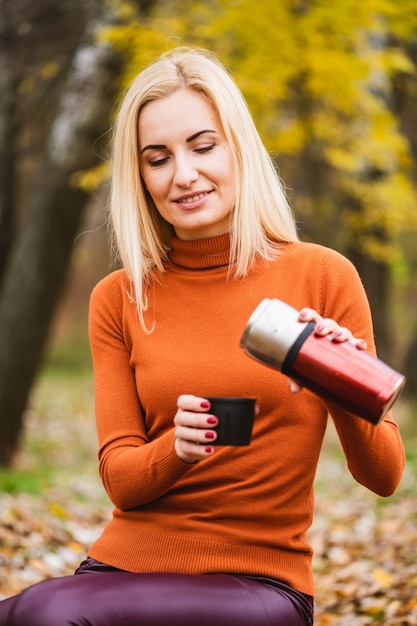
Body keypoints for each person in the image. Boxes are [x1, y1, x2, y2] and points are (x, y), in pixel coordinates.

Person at [0, 46, 405, 626]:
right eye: (157, 158)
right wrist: (178, 448)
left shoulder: (321, 275)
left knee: (44, 612)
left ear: (237, 147)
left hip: (259, 582)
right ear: (138, 176)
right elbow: (121, 480)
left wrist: (339, 376)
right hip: (121, 570)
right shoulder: (119, 297)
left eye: (203, 146)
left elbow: (385, 476)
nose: (183, 175)